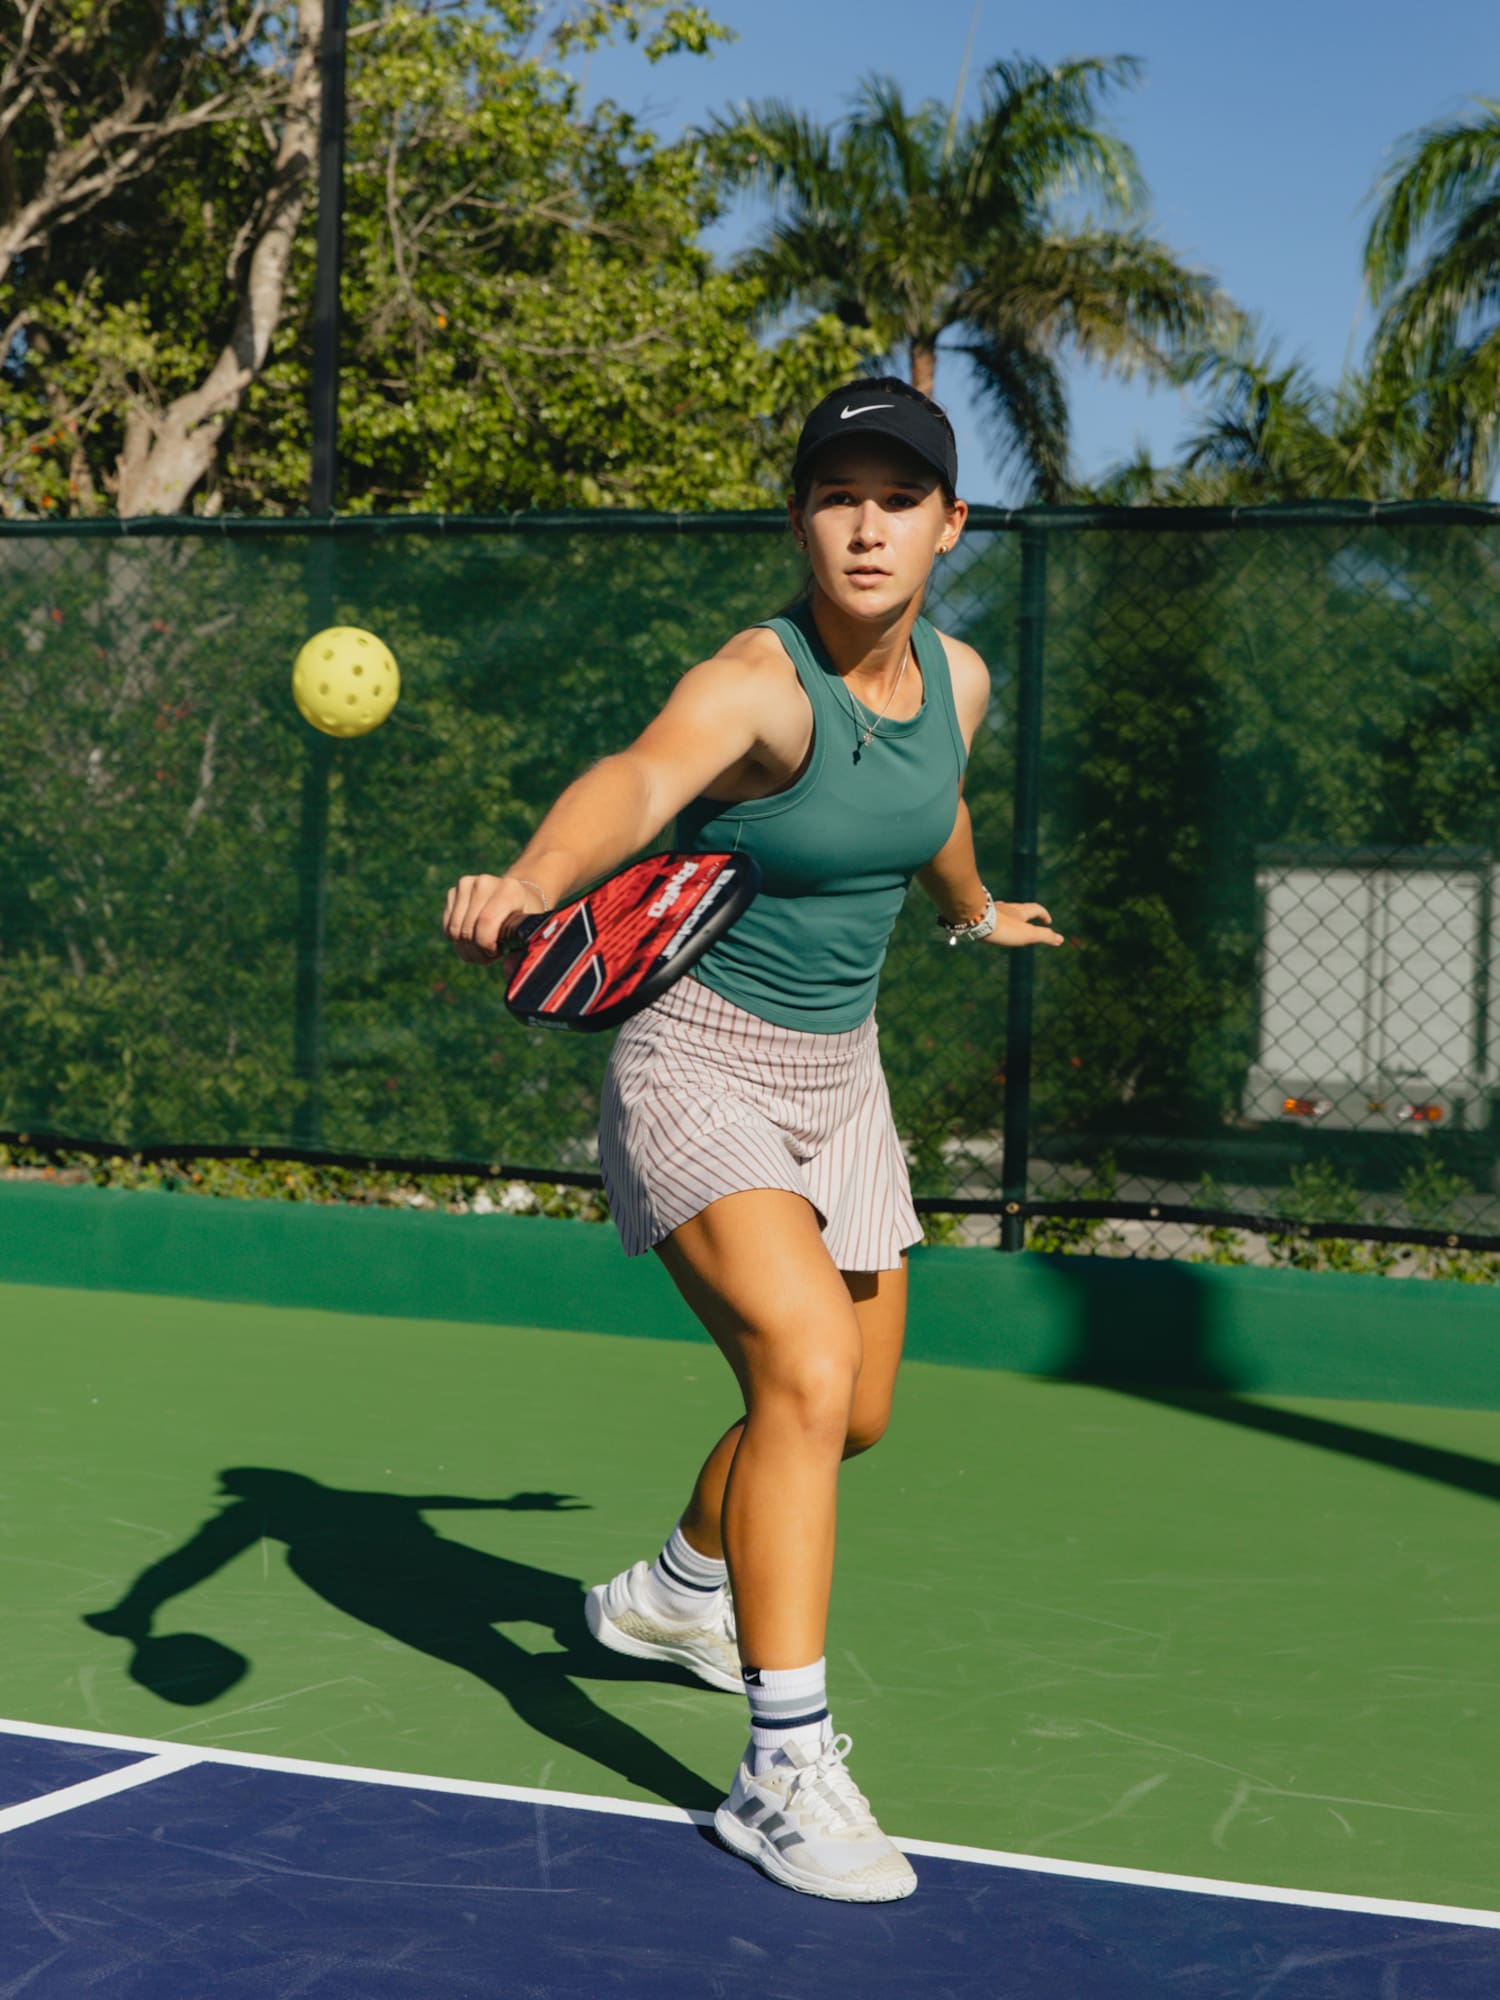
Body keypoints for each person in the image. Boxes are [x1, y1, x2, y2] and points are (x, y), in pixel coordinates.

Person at [442, 378, 1061, 1903]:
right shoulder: (755, 683)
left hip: (842, 1079)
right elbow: (641, 782)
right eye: (837, 495)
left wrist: (973, 914)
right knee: (799, 1368)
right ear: (800, 520)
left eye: (898, 498)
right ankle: (785, 1765)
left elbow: (937, 807)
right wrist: (533, 877)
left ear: (948, 526)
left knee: (851, 1417)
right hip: (699, 1062)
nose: (867, 524)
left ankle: (680, 1588)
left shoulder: (962, 680)